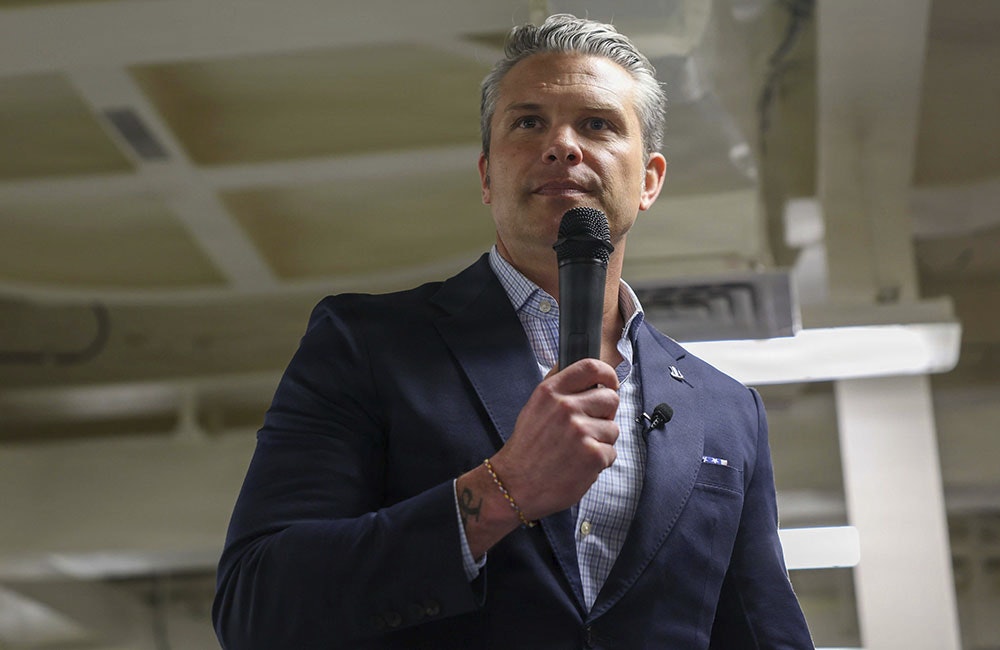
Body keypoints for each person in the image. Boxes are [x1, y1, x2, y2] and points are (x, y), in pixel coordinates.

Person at [213, 14, 813, 649]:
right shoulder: (367, 345)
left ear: (649, 181)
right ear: (486, 176)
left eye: (598, 124)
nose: (563, 146)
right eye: (528, 123)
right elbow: (257, 605)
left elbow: (765, 633)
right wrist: (504, 489)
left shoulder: (726, 410)